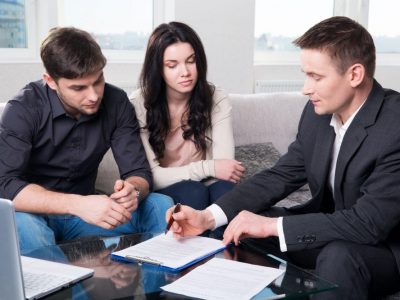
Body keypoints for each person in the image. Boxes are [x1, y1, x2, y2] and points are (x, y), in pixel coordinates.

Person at [167, 16, 400, 299]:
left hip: (385, 248)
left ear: (354, 74)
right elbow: (280, 176)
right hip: (335, 232)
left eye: (316, 77)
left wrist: (272, 226)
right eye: (305, 75)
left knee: (338, 257)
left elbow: (368, 224)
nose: (305, 88)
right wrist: (207, 217)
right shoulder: (317, 115)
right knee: (242, 226)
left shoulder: (394, 124)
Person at [0, 27, 173, 254]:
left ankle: (159, 289)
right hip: (33, 214)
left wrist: (133, 191)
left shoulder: (116, 102)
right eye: (78, 88)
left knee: (160, 206)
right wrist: (78, 204)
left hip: (86, 215)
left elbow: (139, 172)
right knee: (27, 227)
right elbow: (5, 185)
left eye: (98, 80)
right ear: (50, 81)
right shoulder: (23, 108)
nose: (93, 96)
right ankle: (61, 288)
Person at [130, 22, 244, 210]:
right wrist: (209, 168)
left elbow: (226, 169)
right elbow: (151, 177)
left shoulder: (216, 97)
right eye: (172, 65)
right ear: (158, 69)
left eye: (191, 61)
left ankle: (219, 240)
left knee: (226, 190)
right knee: (193, 191)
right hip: (163, 190)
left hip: (205, 186)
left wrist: (214, 171)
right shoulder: (138, 103)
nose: (185, 72)